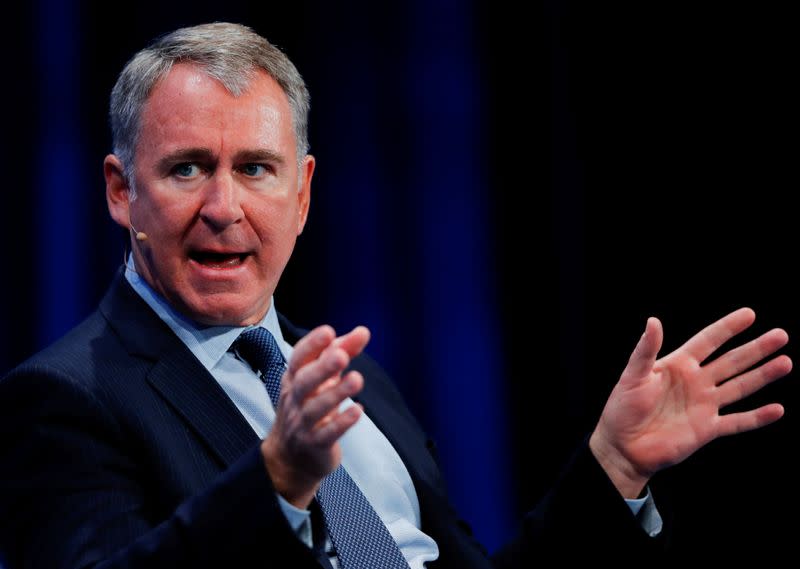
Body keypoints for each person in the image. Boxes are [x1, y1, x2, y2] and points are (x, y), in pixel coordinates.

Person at [0, 22, 792, 568]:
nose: (223, 207)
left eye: (255, 168)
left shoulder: (355, 380)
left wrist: (614, 467)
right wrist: (277, 480)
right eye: (186, 168)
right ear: (118, 189)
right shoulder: (64, 398)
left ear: (303, 195)